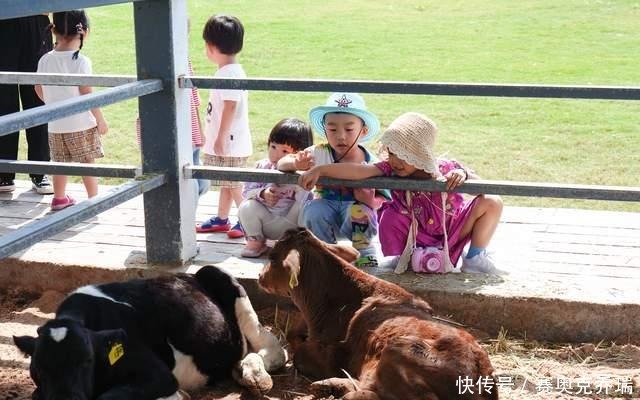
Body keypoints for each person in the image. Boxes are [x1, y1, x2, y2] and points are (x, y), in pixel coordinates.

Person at [299, 112, 503, 273]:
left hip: (450, 230)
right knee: (390, 213)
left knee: (492, 201)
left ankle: (475, 258)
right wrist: (321, 169)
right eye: (391, 153)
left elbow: (482, 187)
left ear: (419, 152)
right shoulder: (390, 168)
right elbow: (358, 170)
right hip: (415, 234)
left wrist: (464, 174)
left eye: (403, 154)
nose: (395, 160)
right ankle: (402, 255)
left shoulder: (446, 168)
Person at [278, 92, 389, 268]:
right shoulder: (318, 153)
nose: (341, 136)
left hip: (352, 218)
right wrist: (295, 162)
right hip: (326, 213)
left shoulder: (370, 162)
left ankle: (365, 252)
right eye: (332, 129)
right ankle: (324, 251)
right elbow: (281, 163)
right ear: (324, 129)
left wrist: (369, 201)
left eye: (349, 129)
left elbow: (381, 201)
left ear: (363, 131)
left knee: (361, 210)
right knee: (313, 209)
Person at [35, 10, 109, 211]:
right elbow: (87, 93)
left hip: (55, 124)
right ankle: (93, 198)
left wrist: (51, 102)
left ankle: (59, 198)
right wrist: (100, 119)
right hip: (81, 122)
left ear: (53, 30)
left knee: (59, 162)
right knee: (87, 161)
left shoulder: (45, 60)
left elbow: (38, 88)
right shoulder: (81, 61)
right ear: (84, 31)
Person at [196, 14, 249, 239]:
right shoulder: (231, 70)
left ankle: (247, 220)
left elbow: (230, 105)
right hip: (229, 140)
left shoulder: (228, 73)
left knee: (234, 183)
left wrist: (220, 136)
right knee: (227, 182)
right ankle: (222, 218)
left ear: (210, 46)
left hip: (229, 141)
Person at [238, 118, 314, 257]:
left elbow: (309, 197)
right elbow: (246, 191)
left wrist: (299, 186)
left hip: (293, 222)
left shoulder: (305, 173)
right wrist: (262, 193)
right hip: (267, 219)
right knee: (246, 206)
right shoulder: (262, 166)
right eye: (273, 147)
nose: (276, 154)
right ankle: (256, 242)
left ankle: (301, 244)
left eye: (284, 151)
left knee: (308, 206)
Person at [0, 14, 54, 194]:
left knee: (37, 96)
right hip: (3, 20)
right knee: (3, 98)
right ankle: (4, 172)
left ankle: (40, 171)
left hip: (35, 20)